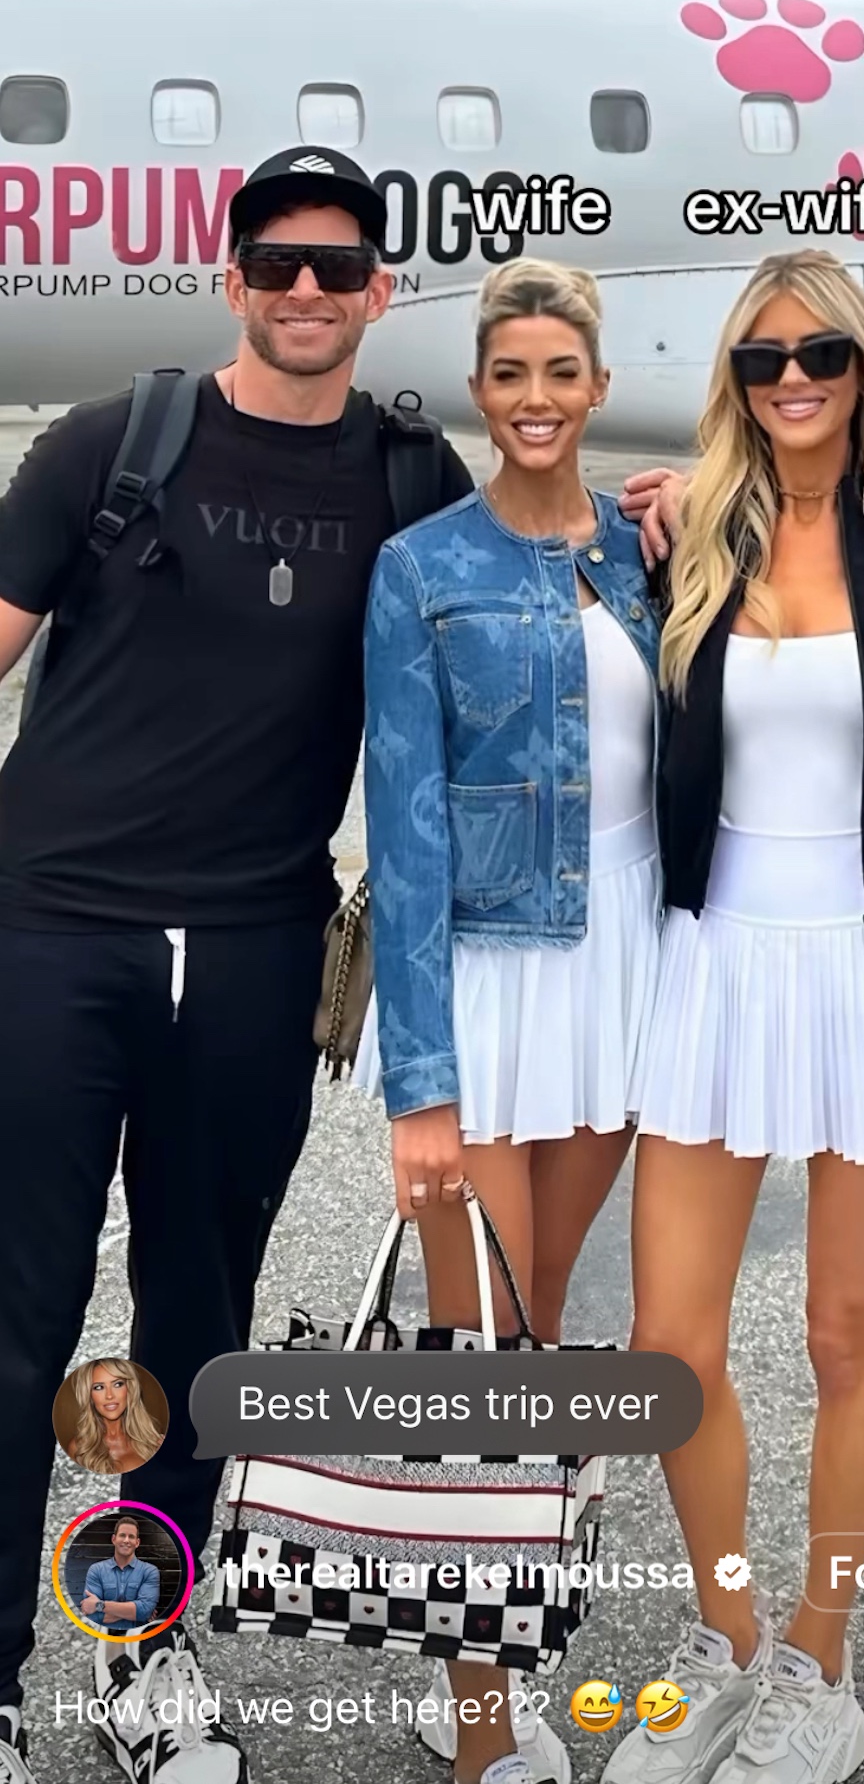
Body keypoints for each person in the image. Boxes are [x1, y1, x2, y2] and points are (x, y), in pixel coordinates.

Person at [0, 145, 480, 1784]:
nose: (306, 291)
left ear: (379, 292)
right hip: (52, 932)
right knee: (19, 1313)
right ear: (234, 280)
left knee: (196, 1328)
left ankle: (144, 1647)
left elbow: (522, 620)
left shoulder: (411, 477)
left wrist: (672, 515)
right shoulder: (108, 443)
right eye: (278, 263)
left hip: (262, 948)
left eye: (338, 267)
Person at [605, 250, 864, 1784]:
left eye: (819, 351)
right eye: (761, 358)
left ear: (863, 366)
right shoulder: (692, 530)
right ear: (736, 381)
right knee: (668, 1340)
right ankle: (727, 1636)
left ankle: (822, 1662)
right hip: (716, 954)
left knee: (844, 1334)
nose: (791, 379)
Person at [363, 258, 663, 1784]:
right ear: (480, 391)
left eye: (561, 371)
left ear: (597, 386)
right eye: (510, 373)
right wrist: (420, 1082)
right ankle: (482, 1729)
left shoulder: (645, 550)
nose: (536, 398)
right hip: (485, 982)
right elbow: (404, 826)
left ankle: (488, 1669)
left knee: (537, 1347)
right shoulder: (420, 565)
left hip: (619, 978)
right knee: (481, 1360)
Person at [65, 1358, 164, 1476]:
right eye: (99, 1387)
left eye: (118, 1384)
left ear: (130, 1389)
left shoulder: (155, 1443)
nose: (109, 1396)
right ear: (89, 1396)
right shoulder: (79, 1448)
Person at [78, 1516, 159, 1637]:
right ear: (114, 1539)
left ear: (137, 1543)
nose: (126, 1540)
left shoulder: (149, 1571)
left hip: (138, 1639)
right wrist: (135, 1611)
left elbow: (145, 1611)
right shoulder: (96, 1570)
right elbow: (92, 1614)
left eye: (131, 1537)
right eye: (122, 1535)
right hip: (104, 1639)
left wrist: (99, 1605)